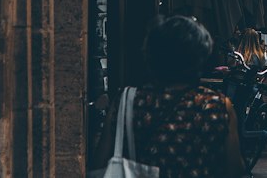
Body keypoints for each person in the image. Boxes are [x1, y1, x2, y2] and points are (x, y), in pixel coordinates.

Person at [91, 15, 245, 178]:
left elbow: (100, 161)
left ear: (151, 55)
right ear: (200, 57)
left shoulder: (127, 100)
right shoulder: (215, 105)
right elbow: (234, 169)